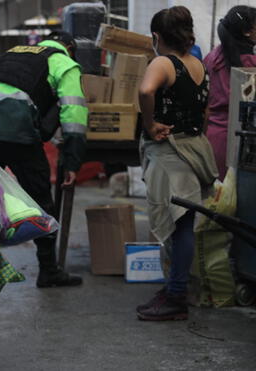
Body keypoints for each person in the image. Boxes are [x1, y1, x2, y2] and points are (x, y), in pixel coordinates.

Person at [0, 31, 87, 288]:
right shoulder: (65, 62)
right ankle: (49, 270)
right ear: (69, 47)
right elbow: (73, 116)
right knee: (41, 200)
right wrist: (73, 162)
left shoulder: (14, 53)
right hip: (17, 129)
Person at [137, 6, 218, 321]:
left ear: (156, 37)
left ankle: (176, 297)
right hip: (195, 146)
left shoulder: (162, 62)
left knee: (179, 225)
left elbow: (146, 90)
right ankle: (174, 288)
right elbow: (206, 111)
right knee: (181, 224)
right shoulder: (197, 63)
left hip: (171, 154)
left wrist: (149, 123)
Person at [204, 6, 256, 181]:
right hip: (244, 143)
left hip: (212, 139)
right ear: (248, 32)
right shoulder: (251, 63)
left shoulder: (211, 58)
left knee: (216, 201)